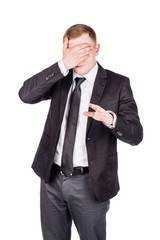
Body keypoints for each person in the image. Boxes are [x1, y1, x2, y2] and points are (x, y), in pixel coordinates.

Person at [18, 24, 143, 240]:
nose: (79, 57)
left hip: (90, 183)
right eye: (73, 51)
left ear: (97, 49)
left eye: (85, 49)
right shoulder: (60, 77)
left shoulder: (118, 84)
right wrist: (62, 65)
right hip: (51, 178)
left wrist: (111, 119)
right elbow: (25, 95)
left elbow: (136, 135)